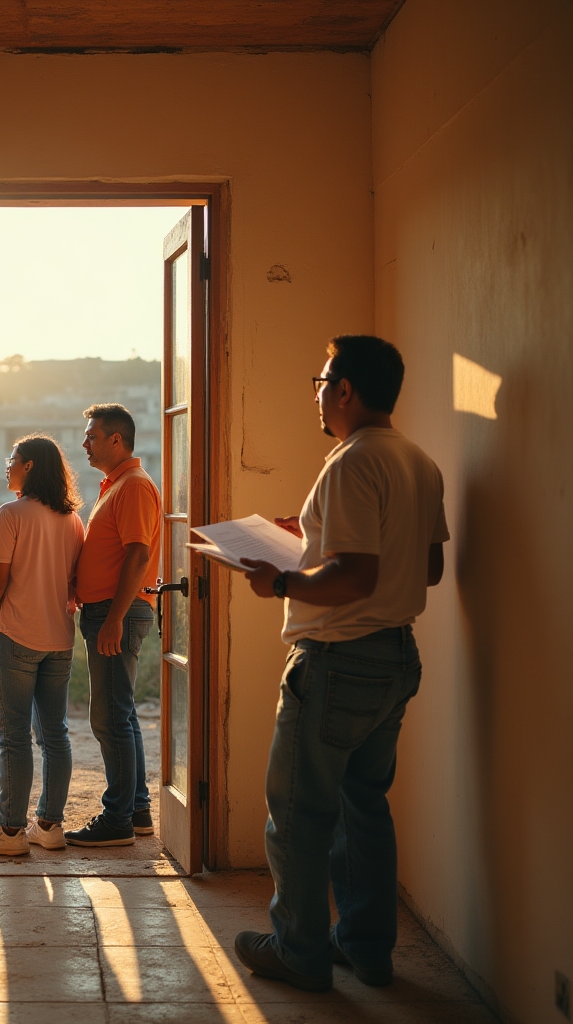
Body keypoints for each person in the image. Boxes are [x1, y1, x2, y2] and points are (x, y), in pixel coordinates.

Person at [233, 335, 449, 993]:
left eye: (321, 381)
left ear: (345, 390)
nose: (318, 394)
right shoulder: (418, 462)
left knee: (298, 814)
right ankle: (365, 947)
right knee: (363, 808)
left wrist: (281, 581)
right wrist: (311, 540)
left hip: (337, 659)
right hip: (395, 657)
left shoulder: (351, 462)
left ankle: (299, 951)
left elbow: (355, 576)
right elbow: (428, 567)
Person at [0, 434, 85, 855]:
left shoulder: (10, 513)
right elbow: (73, 582)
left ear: (29, 465)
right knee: (55, 735)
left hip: (16, 636)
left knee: (13, 737)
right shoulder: (73, 520)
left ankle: (11, 832)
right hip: (59, 639)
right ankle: (49, 826)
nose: (7, 465)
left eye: (11, 458)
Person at [65, 403, 161, 848]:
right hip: (107, 611)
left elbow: (139, 554)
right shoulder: (117, 485)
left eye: (92, 436)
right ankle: (136, 810)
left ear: (116, 439)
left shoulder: (134, 486)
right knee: (121, 714)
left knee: (108, 719)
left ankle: (117, 819)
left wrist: (114, 620)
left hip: (115, 612)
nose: (84, 443)